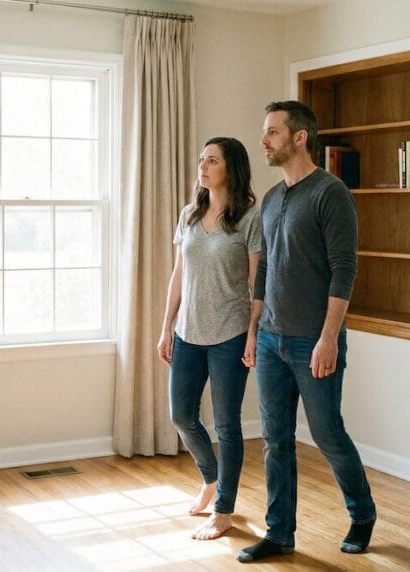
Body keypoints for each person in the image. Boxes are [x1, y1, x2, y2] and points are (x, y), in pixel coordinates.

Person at [236, 101, 377, 563]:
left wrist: (328, 337)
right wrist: (255, 330)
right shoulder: (273, 198)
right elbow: (265, 271)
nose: (264, 141)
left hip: (311, 340)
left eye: (272, 132)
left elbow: (344, 270)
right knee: (276, 440)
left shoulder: (330, 193)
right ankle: (279, 534)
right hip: (273, 337)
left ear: (299, 137)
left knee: (327, 433)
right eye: (265, 132)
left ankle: (362, 513)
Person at [157, 136, 262, 541]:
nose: (202, 166)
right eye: (201, 159)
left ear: (230, 169)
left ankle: (225, 510)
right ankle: (211, 477)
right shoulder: (189, 214)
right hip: (188, 331)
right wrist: (166, 326)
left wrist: (253, 334)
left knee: (227, 425)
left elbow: (257, 283)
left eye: (212, 160)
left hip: (230, 334)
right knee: (181, 415)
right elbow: (179, 274)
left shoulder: (250, 218)